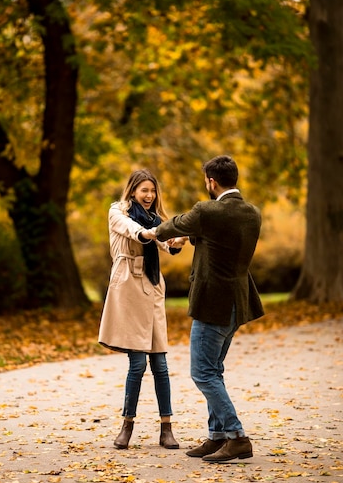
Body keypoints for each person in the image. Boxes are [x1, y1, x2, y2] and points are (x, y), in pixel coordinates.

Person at [152, 155, 264, 463]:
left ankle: (237, 436)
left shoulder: (207, 210)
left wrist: (154, 232)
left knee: (202, 372)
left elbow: (176, 224)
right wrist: (192, 237)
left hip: (213, 303)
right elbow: (217, 237)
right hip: (236, 303)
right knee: (214, 370)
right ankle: (217, 436)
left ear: (210, 182)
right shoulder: (251, 213)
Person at [99, 169, 185, 450]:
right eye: (144, 190)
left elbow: (165, 242)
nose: (149, 196)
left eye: (153, 191)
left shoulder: (155, 221)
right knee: (137, 364)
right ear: (133, 190)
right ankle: (127, 426)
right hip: (127, 289)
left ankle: (167, 429)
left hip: (152, 287)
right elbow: (131, 230)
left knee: (160, 364)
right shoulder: (117, 211)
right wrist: (150, 233)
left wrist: (175, 240)